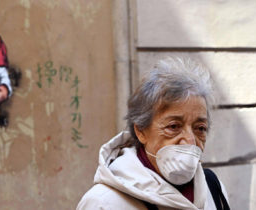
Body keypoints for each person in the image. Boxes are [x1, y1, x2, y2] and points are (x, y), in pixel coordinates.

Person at [77, 58, 230, 210]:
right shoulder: (102, 203)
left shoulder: (213, 188)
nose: (190, 141)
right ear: (141, 131)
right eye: (174, 126)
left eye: (200, 128)